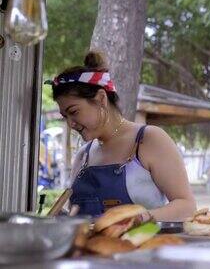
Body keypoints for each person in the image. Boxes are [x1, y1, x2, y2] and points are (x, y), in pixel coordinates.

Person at [47, 51, 196, 220]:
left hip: (143, 245)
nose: (70, 123)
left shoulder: (148, 140)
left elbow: (186, 206)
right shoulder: (83, 155)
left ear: (101, 99)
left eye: (73, 112)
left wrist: (141, 219)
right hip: (89, 247)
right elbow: (77, 218)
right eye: (65, 117)